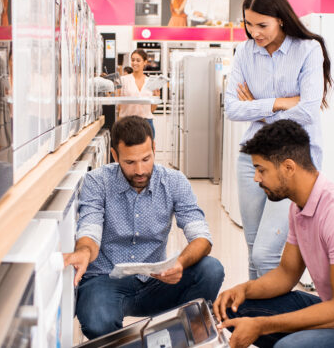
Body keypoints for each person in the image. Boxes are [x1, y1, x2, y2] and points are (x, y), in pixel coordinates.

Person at [213, 119, 334, 348]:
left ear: (288, 168)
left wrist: (262, 325)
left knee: (289, 346)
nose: (256, 178)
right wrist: (243, 289)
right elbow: (286, 274)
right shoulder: (298, 206)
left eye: (261, 169)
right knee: (234, 310)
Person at [63, 116, 225, 339]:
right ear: (114, 155)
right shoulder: (97, 181)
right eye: (130, 162)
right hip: (105, 279)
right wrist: (83, 252)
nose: (140, 170)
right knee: (96, 322)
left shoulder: (174, 182)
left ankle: (180, 337)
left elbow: (201, 237)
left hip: (156, 282)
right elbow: (90, 228)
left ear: (154, 148)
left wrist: (179, 264)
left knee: (211, 269)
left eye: (146, 159)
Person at [224, 0, 332, 280]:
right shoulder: (245, 52)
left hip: (293, 162)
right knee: (252, 248)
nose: (254, 32)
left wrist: (257, 109)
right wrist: (279, 104)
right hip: (252, 160)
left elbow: (308, 110)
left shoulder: (308, 50)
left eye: (262, 25)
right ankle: (254, 321)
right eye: (248, 24)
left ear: (281, 18)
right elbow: (232, 108)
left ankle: (277, 324)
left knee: (266, 253)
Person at [118, 49, 158, 138]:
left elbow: (152, 109)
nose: (134, 63)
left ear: (145, 62)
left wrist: (156, 96)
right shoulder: (123, 80)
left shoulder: (150, 82)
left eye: (138, 60)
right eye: (133, 60)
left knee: (147, 151)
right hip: (128, 123)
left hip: (146, 123)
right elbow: (119, 106)